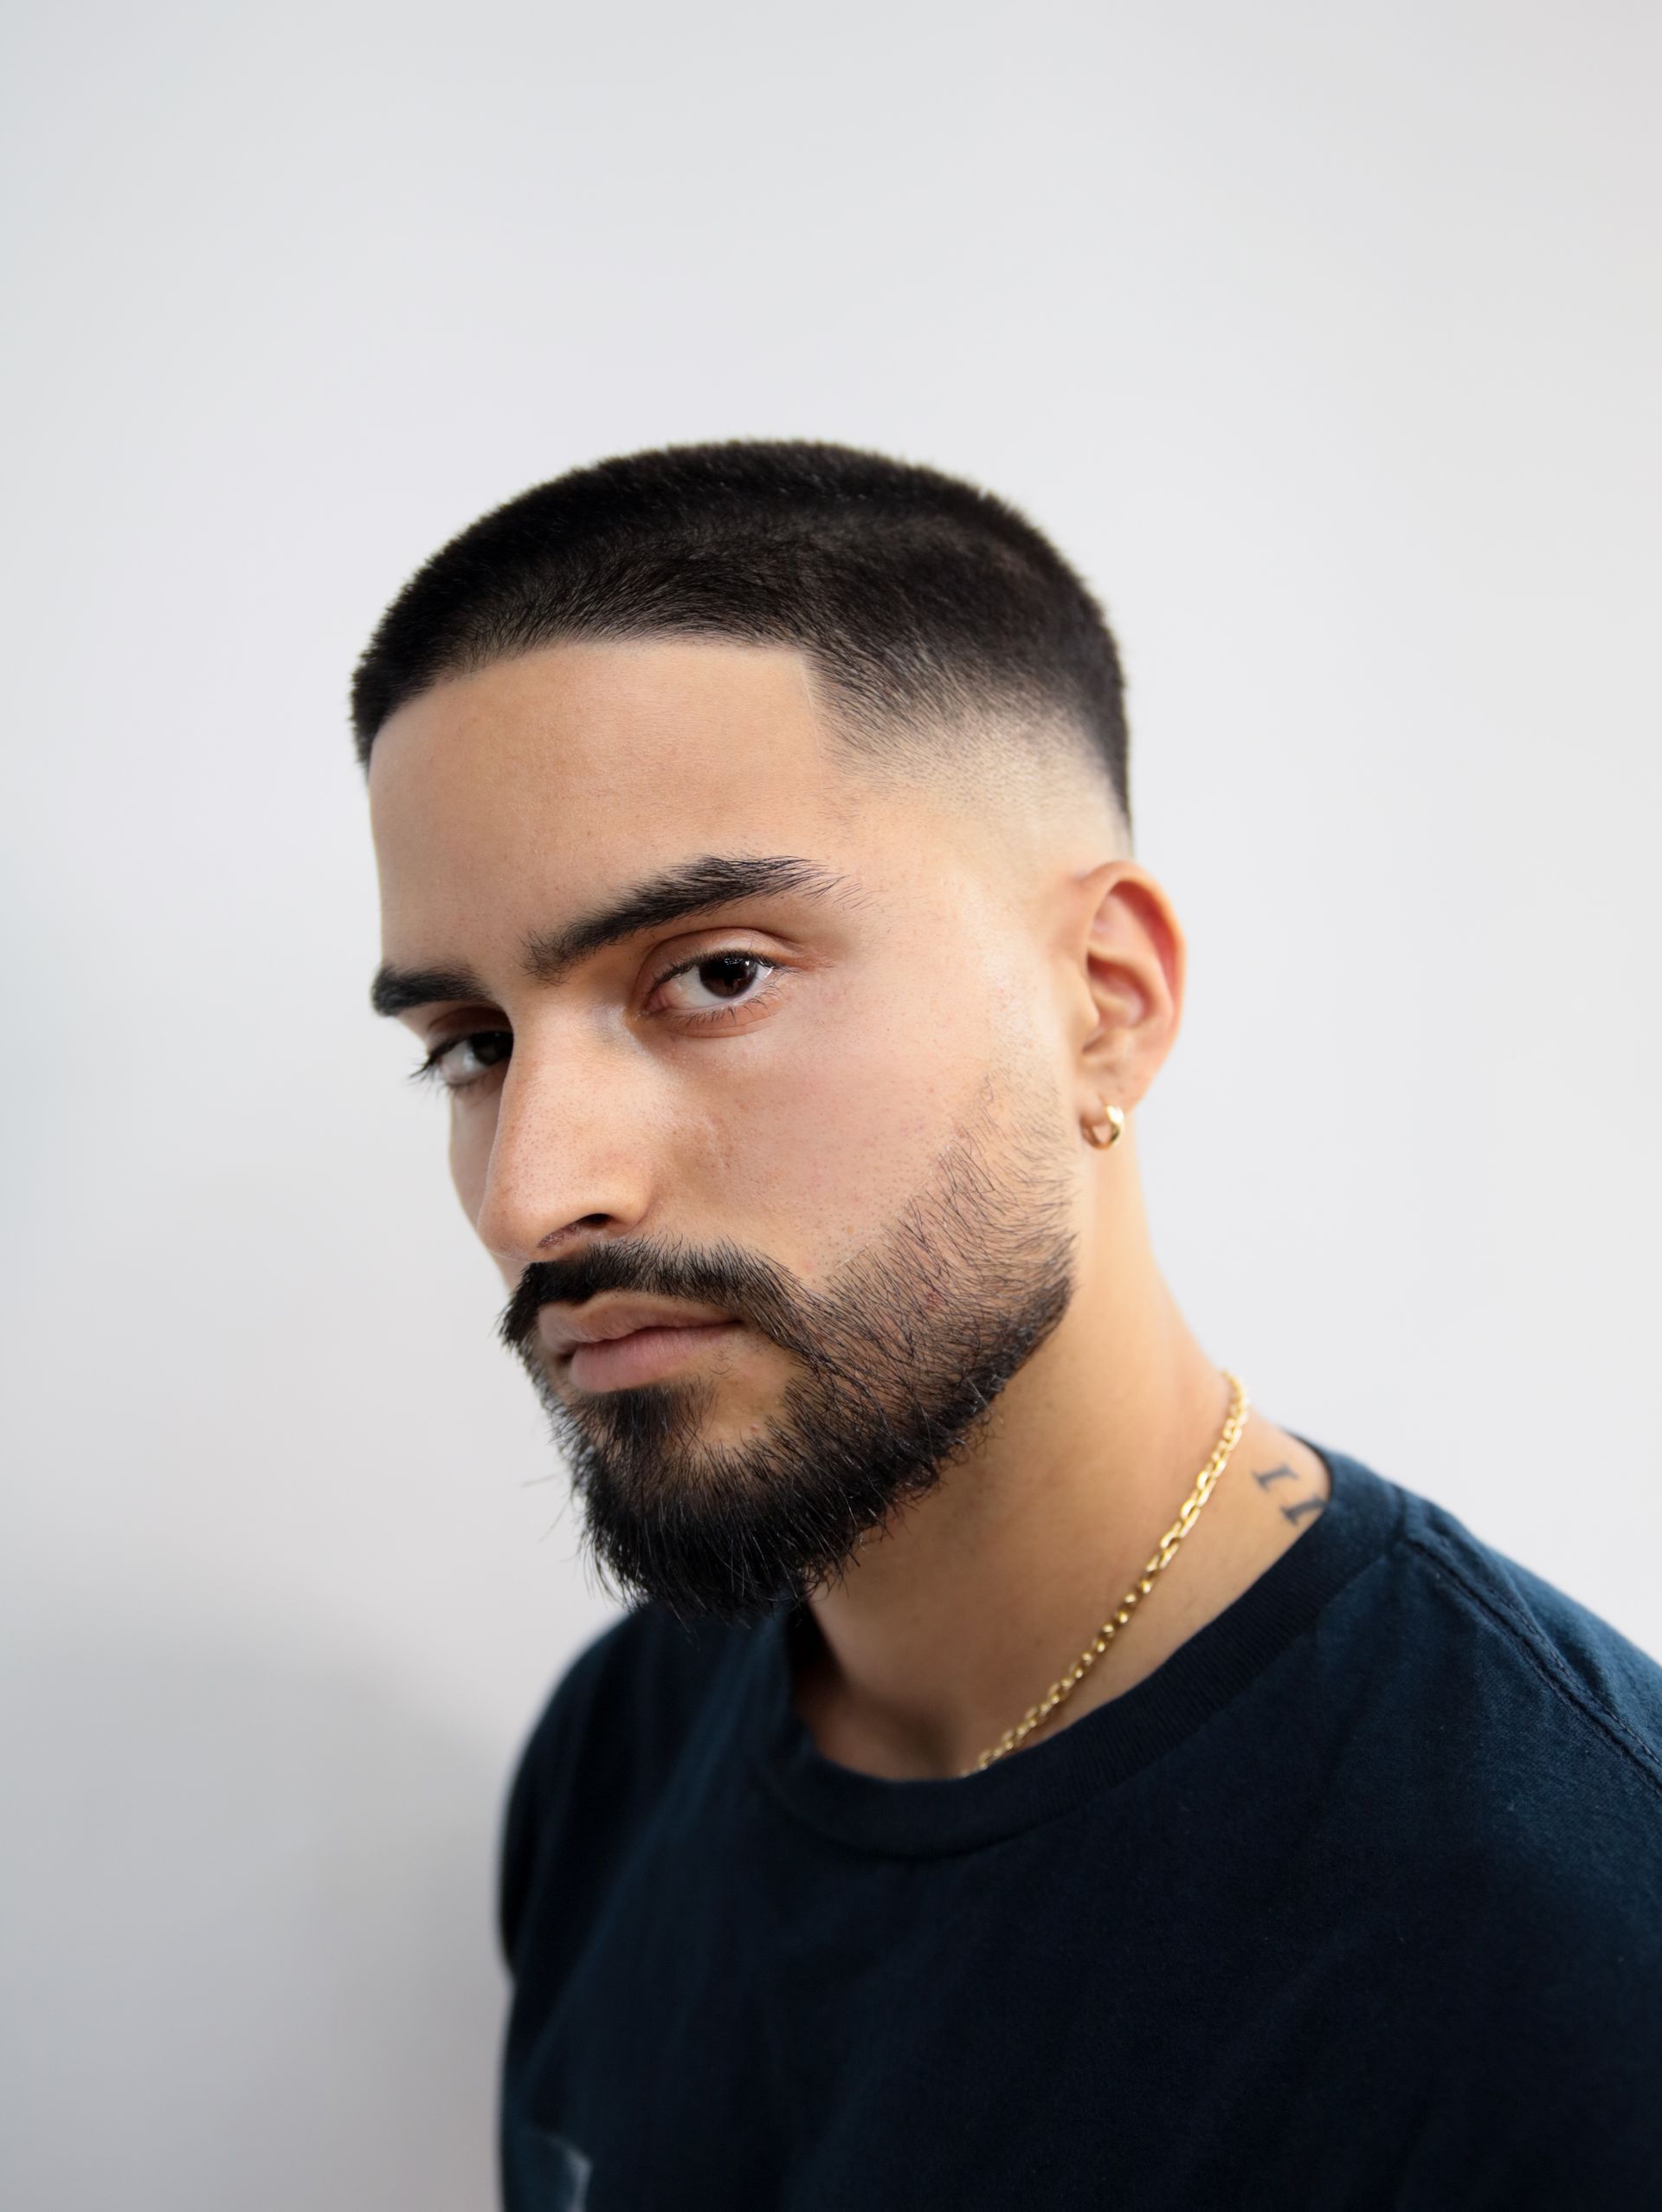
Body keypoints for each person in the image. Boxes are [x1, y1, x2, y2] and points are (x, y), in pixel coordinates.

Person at [353, 442, 1662, 2210]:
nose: (533, 1195)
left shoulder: (1569, 1942)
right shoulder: (624, 1754)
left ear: (1103, 1006)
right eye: (472, 1044)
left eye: (715, 975)